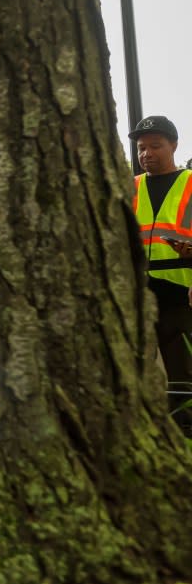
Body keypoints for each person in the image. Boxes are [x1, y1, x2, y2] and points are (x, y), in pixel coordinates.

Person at [130, 115, 192, 434]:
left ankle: (184, 425)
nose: (146, 154)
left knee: (183, 369)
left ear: (174, 145)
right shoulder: (131, 188)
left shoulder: (191, 183)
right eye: (141, 148)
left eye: (155, 146)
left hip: (184, 295)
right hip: (140, 295)